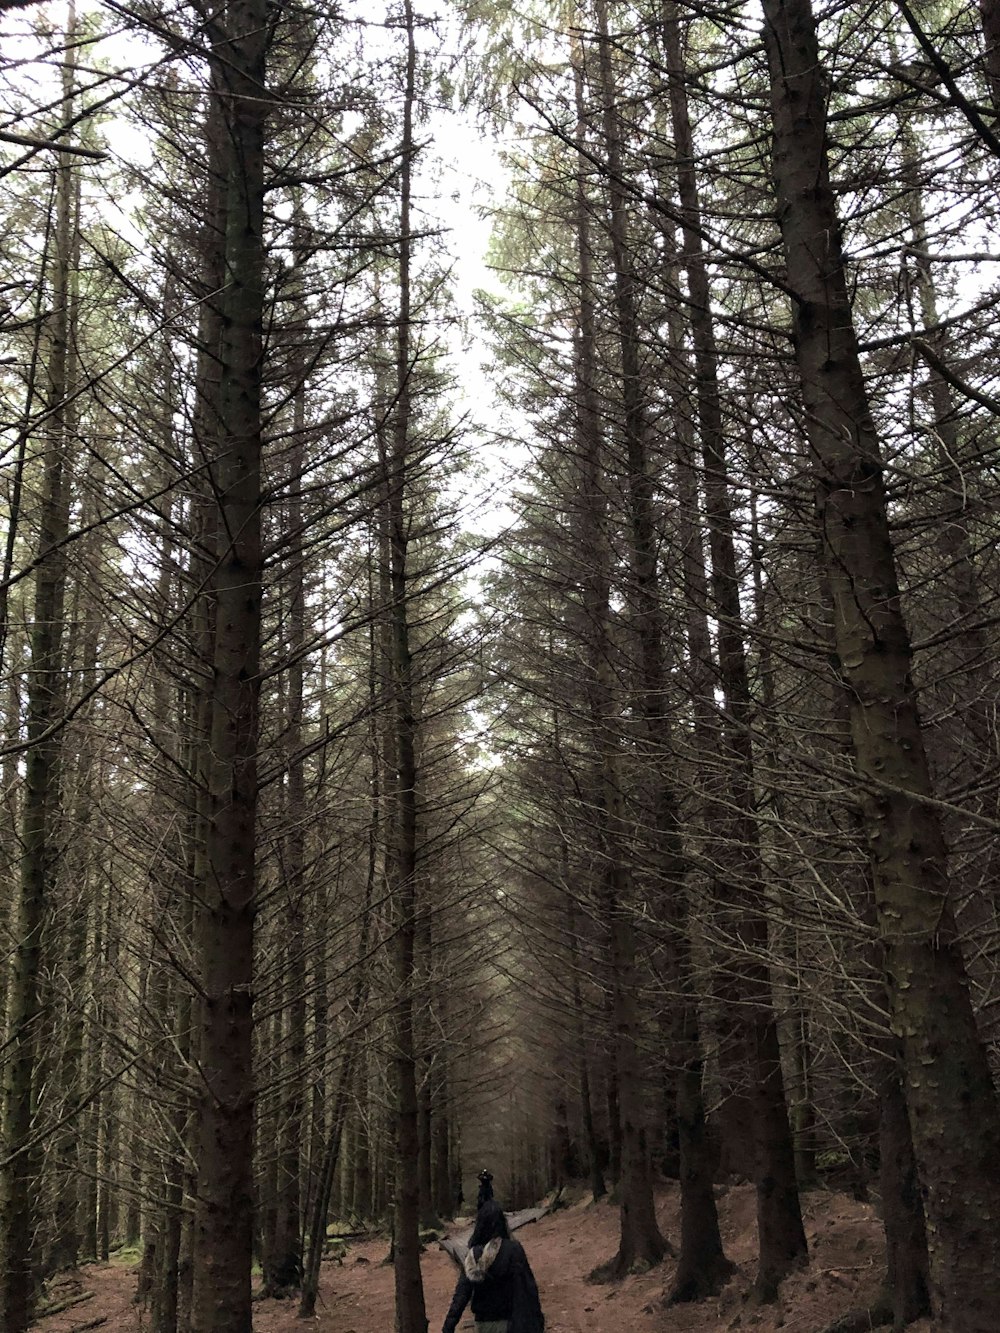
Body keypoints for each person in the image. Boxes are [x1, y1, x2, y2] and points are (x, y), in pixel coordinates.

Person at [442, 1200, 545, 1333]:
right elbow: (528, 1287)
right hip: (510, 1324)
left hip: (482, 1325)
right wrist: (536, 1320)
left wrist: (448, 1326)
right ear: (503, 1223)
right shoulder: (513, 1250)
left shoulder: (473, 1256)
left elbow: (461, 1295)